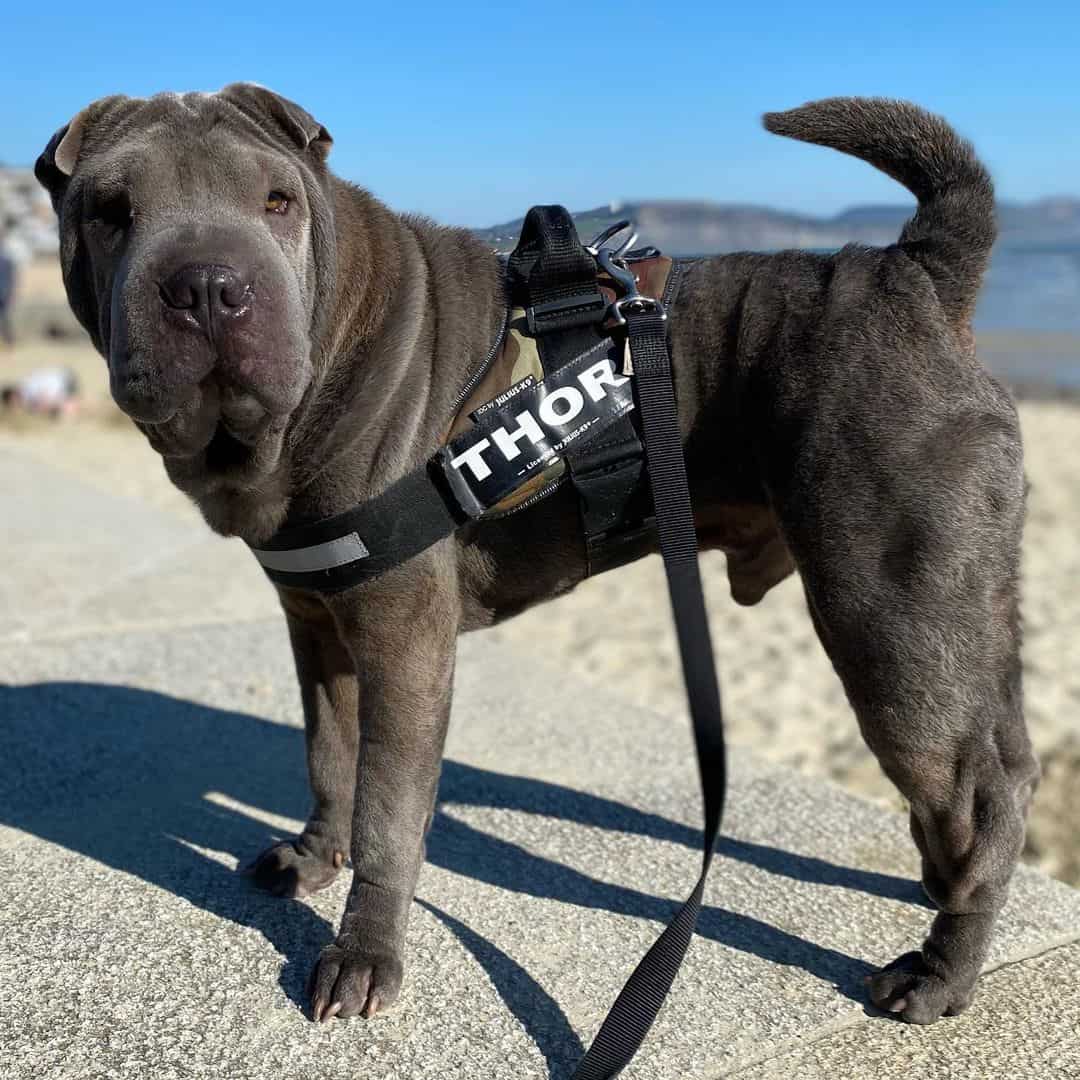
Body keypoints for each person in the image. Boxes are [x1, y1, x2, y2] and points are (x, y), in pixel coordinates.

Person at [1, 367, 81, 419]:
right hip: (63, 380)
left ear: (13, 396)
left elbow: (44, 397)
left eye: (12, 403)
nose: (15, 405)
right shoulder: (25, 389)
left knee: (59, 409)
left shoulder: (27, 389)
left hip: (64, 381)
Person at [0, 240, 16, 350]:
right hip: (4, 294)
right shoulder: (7, 261)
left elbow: (11, 280)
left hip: (4, 295)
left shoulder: (7, 261)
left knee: (5, 318)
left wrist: (10, 293)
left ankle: (9, 341)